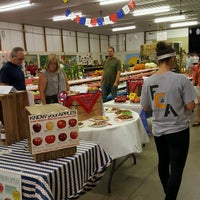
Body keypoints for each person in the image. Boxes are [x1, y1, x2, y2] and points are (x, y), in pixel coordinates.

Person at [140, 41, 197, 200]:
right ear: (172, 59)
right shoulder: (181, 79)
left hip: (159, 131)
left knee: (163, 163)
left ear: (158, 60)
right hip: (178, 130)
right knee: (177, 169)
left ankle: (168, 192)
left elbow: (145, 108)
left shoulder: (148, 82)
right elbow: (190, 105)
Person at [192, 61, 200, 126]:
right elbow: (195, 75)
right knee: (199, 104)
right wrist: (191, 86)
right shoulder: (199, 64)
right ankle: (199, 119)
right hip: (199, 86)